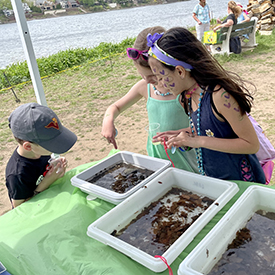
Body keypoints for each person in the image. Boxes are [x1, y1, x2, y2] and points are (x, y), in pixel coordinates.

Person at [146, 27, 265, 183]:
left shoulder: (221, 96)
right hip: (215, 180)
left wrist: (197, 141)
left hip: (242, 181)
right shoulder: (186, 97)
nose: (158, 84)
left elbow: (251, 144)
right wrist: (185, 135)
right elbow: (211, 130)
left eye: (161, 77)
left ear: (180, 71)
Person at [101, 26, 198, 173]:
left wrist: (186, 134)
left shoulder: (184, 89)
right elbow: (115, 107)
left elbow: (203, 127)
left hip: (187, 160)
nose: (147, 81)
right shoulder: (144, 88)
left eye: (153, 76)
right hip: (156, 160)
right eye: (142, 75)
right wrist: (108, 121)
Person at [6, 102, 77, 208]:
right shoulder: (17, 174)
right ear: (28, 147)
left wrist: (53, 164)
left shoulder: (39, 152)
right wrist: (44, 185)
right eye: (51, 145)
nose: (56, 148)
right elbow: (19, 208)